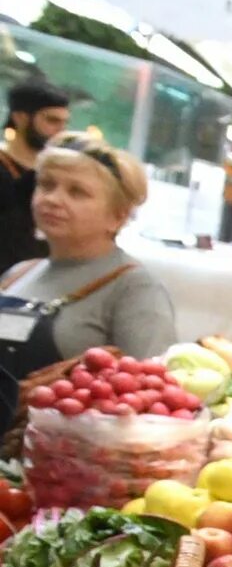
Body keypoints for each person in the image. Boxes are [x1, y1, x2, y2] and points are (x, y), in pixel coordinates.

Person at [2, 136, 176, 421]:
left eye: (77, 192)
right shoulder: (17, 273)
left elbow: (151, 402)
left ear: (117, 217)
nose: (53, 199)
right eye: (46, 185)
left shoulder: (134, 288)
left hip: (56, 457)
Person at [1, 79, 75, 273]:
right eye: (52, 120)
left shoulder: (57, 176)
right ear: (20, 118)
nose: (61, 130)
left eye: (64, 122)